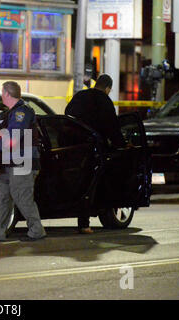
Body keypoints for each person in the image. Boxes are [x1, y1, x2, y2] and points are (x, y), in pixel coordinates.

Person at [0, 81, 47, 242]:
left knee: (22, 197)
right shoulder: (6, 114)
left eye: (2, 92)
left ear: (6, 93)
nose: (1, 94)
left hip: (22, 163)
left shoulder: (22, 112)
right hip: (6, 162)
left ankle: (36, 230)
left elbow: (12, 138)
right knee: (2, 197)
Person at [65, 74, 126, 234]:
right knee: (90, 184)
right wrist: (122, 145)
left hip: (71, 147)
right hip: (92, 149)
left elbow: (67, 116)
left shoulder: (80, 96)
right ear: (107, 88)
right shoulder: (105, 101)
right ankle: (84, 223)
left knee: (76, 182)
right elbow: (112, 128)